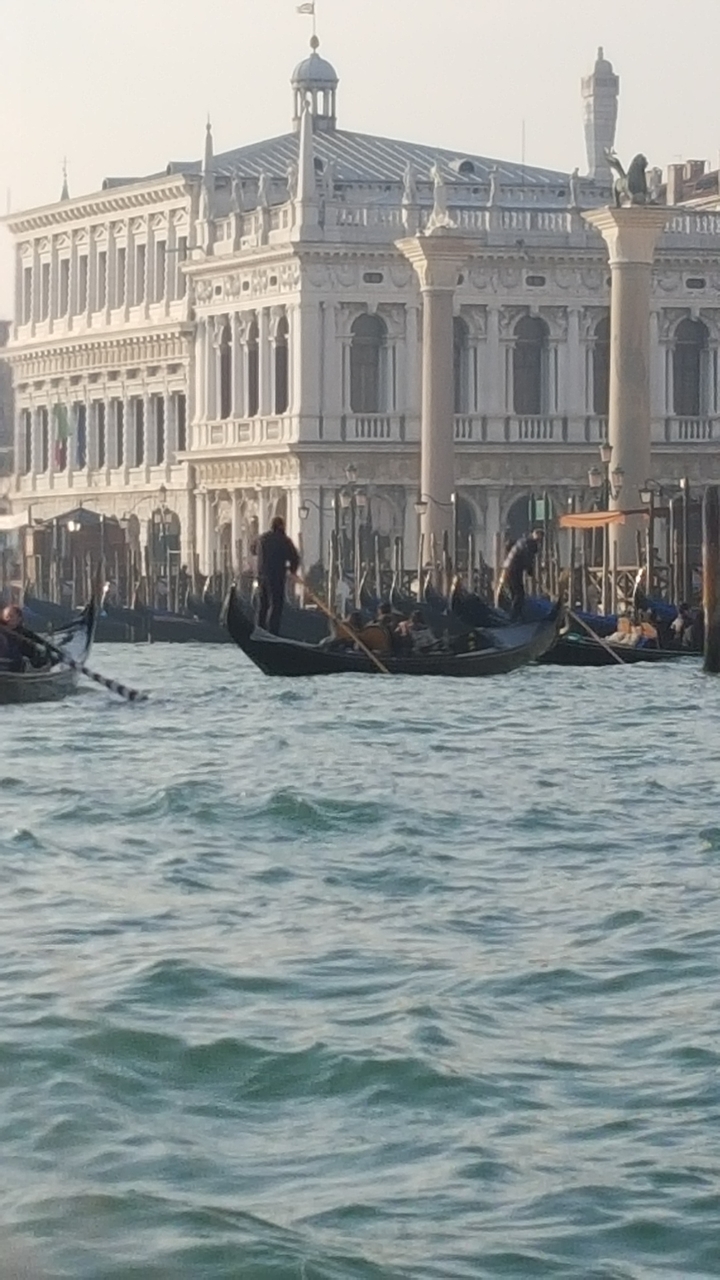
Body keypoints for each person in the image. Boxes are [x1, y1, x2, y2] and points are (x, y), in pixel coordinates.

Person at [255, 516, 300, 635]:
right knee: (276, 605)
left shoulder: (262, 539)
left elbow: (252, 549)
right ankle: (272, 633)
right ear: (281, 526)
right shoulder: (284, 540)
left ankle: (260, 629)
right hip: (276, 577)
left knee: (263, 604)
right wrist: (292, 571)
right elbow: (294, 557)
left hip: (261, 576)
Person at [498, 529, 544, 621]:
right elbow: (528, 558)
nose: (540, 541)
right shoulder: (530, 544)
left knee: (515, 593)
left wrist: (529, 570)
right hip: (513, 569)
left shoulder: (523, 540)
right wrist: (530, 570)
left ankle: (513, 616)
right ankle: (514, 617)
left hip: (508, 568)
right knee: (519, 594)